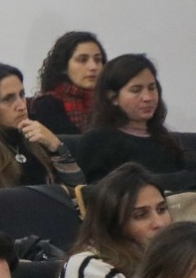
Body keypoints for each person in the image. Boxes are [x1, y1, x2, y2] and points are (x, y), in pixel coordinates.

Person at [0, 63, 82, 189]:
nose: (22, 106)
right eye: (8, 99)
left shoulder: (34, 134)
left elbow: (77, 191)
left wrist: (56, 147)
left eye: (22, 95)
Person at [79, 54, 188, 183]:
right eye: (136, 90)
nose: (148, 97)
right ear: (113, 97)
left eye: (152, 88)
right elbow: (100, 190)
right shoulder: (97, 140)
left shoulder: (163, 137)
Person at [29, 31, 106, 136]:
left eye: (98, 60)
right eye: (83, 60)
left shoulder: (110, 102)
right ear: (64, 67)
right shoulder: (48, 104)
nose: (93, 67)